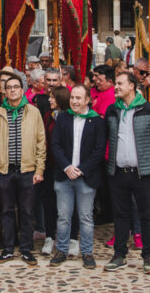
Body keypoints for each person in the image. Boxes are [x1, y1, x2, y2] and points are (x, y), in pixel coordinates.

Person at [103, 71, 150, 275]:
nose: (116, 87)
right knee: (120, 215)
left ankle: (148, 255)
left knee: (146, 214)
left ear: (132, 86)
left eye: (120, 83)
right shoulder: (112, 110)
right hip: (119, 172)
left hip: (143, 173)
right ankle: (119, 254)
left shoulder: (148, 109)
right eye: (116, 84)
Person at [0, 69, 46, 266]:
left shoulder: (33, 112)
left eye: (16, 87)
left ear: (22, 90)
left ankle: (26, 248)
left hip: (27, 170)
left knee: (27, 211)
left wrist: (39, 170)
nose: (12, 91)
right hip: (6, 170)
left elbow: (41, 143)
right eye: (9, 88)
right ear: (4, 91)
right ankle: (7, 248)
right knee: (6, 210)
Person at [49, 84, 104, 268]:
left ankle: (87, 252)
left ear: (87, 100)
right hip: (64, 175)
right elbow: (55, 145)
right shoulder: (63, 118)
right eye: (72, 97)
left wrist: (82, 169)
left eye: (78, 98)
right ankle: (62, 250)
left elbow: (99, 149)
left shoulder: (96, 121)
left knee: (86, 217)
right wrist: (66, 166)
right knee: (63, 216)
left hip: (85, 177)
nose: (74, 101)